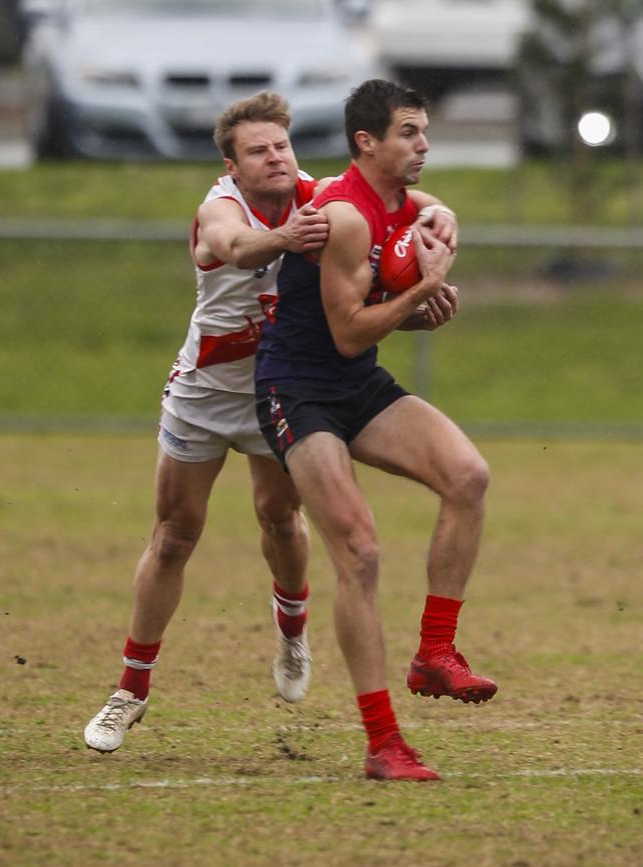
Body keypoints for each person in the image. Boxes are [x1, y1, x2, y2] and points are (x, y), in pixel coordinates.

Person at [255, 79, 496, 782]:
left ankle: (435, 654)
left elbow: (423, 210)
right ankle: (382, 741)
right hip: (297, 389)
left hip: (354, 387)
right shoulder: (346, 217)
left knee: (469, 475)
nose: (424, 145)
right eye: (409, 134)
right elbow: (350, 332)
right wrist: (420, 292)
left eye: (423, 132)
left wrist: (441, 225)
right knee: (358, 551)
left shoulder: (399, 201)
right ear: (368, 143)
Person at [84, 91, 329, 753]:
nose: (275, 157)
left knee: (279, 518)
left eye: (282, 144)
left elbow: (394, 205)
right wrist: (286, 238)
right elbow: (236, 245)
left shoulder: (322, 195)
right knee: (173, 536)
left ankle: (293, 633)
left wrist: (435, 220)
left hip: (278, 391)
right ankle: (130, 690)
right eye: (259, 150)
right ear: (232, 164)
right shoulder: (219, 207)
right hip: (204, 392)